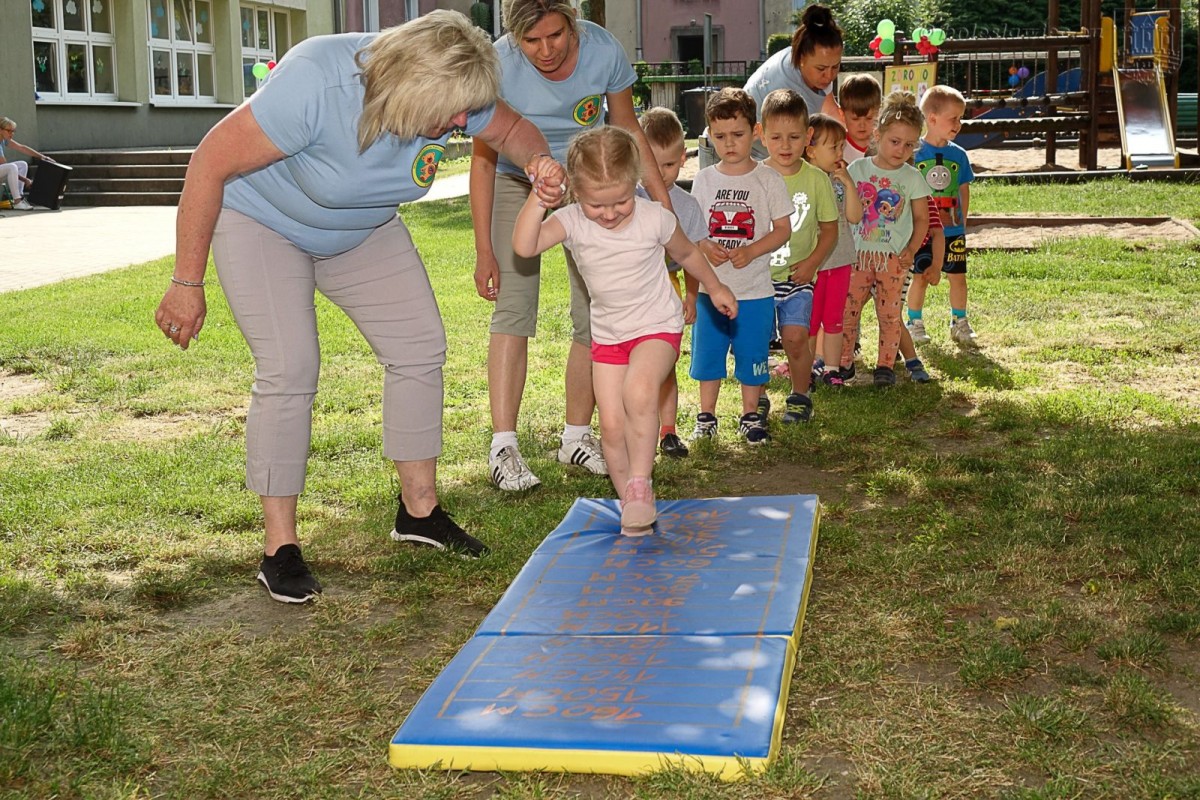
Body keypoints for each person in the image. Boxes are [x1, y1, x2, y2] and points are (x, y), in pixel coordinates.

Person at [153, 11, 566, 604]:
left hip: (361, 229)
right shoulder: (317, 82)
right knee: (290, 367)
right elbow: (209, 162)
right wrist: (186, 282)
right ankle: (279, 548)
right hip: (264, 222)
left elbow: (513, 130)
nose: (461, 124)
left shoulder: (454, 89)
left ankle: (419, 511)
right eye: (452, 114)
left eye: (466, 112)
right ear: (410, 88)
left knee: (419, 346)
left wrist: (538, 163)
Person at [471, 0, 675, 492]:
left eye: (556, 36)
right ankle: (504, 446)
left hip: (589, 186)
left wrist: (663, 202)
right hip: (517, 180)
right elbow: (482, 157)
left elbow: (627, 127)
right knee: (515, 308)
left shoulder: (604, 50)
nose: (545, 50)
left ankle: (577, 436)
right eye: (531, 40)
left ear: (573, 23)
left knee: (596, 311)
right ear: (514, 37)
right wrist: (484, 249)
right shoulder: (497, 65)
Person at [512, 126, 736, 535]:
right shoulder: (571, 221)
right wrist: (538, 199)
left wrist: (716, 287)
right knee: (612, 427)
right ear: (576, 192)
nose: (610, 213)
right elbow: (525, 246)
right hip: (609, 336)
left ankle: (640, 482)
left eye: (621, 201)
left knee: (639, 390)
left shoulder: (654, 217)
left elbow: (687, 252)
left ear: (635, 183)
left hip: (657, 325)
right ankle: (631, 504)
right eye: (597, 204)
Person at [689, 88, 792, 444]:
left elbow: (783, 229)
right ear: (709, 135)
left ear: (755, 132)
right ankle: (706, 416)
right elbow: (693, 229)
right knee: (709, 356)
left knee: (752, 356)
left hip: (755, 291)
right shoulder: (704, 179)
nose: (729, 143)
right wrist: (706, 245)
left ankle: (750, 415)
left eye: (737, 134)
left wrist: (752, 251)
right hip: (711, 290)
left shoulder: (768, 179)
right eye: (720, 137)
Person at [757, 90, 837, 424]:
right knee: (756, 342)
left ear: (808, 136)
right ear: (761, 135)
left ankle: (800, 395)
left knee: (795, 338)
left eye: (794, 137)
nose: (785, 145)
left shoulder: (816, 179)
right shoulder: (754, 176)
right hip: (757, 280)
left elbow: (830, 229)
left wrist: (812, 263)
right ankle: (757, 398)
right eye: (776, 137)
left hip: (798, 279)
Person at [842, 91, 930, 387]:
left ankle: (885, 366)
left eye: (909, 144)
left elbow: (922, 219)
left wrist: (912, 249)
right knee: (848, 310)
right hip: (858, 257)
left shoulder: (912, 177)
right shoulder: (857, 170)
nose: (901, 149)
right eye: (895, 141)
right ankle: (843, 362)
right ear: (877, 135)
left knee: (890, 314)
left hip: (893, 259)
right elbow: (844, 211)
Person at [636, 107, 707, 458]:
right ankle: (633, 429)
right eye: (653, 164)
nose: (661, 174)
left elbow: (693, 257)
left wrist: (691, 297)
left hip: (668, 287)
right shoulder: (628, 198)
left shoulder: (688, 206)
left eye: (668, 165)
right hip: (631, 291)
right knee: (628, 364)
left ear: (682, 159)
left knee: (664, 364)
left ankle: (668, 431)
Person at [698, 3, 843, 167]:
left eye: (835, 67)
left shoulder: (812, 63)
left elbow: (831, 112)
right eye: (821, 69)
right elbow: (806, 150)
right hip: (723, 151)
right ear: (801, 58)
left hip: (759, 152)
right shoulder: (787, 89)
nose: (829, 76)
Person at [912, 85, 977, 344]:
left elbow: (963, 189)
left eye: (961, 118)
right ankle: (914, 321)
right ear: (932, 118)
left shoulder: (959, 155)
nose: (958, 124)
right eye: (954, 118)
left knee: (958, 277)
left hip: (952, 230)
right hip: (922, 232)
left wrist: (963, 222)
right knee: (921, 276)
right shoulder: (914, 153)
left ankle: (959, 321)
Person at [803, 113, 863, 389]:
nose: (840, 153)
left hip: (840, 259)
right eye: (834, 147)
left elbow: (854, 217)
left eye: (842, 147)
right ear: (811, 151)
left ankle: (831, 368)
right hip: (813, 262)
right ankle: (805, 368)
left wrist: (849, 184)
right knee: (810, 319)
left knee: (834, 318)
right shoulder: (805, 181)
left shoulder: (840, 180)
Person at [0, 117, 53, 211]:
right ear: (0, 130)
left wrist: (42, 157)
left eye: (13, 131)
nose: (12, 133)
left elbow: (21, 147)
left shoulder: (3, 140)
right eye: (9, 131)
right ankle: (17, 202)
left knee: (22, 164)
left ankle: (19, 197)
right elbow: (4, 165)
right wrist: (25, 180)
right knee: (11, 167)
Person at [837, 74, 881, 163]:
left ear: (878, 113)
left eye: (869, 118)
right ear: (842, 114)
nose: (862, 125)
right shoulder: (836, 146)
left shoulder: (884, 145)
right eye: (855, 119)